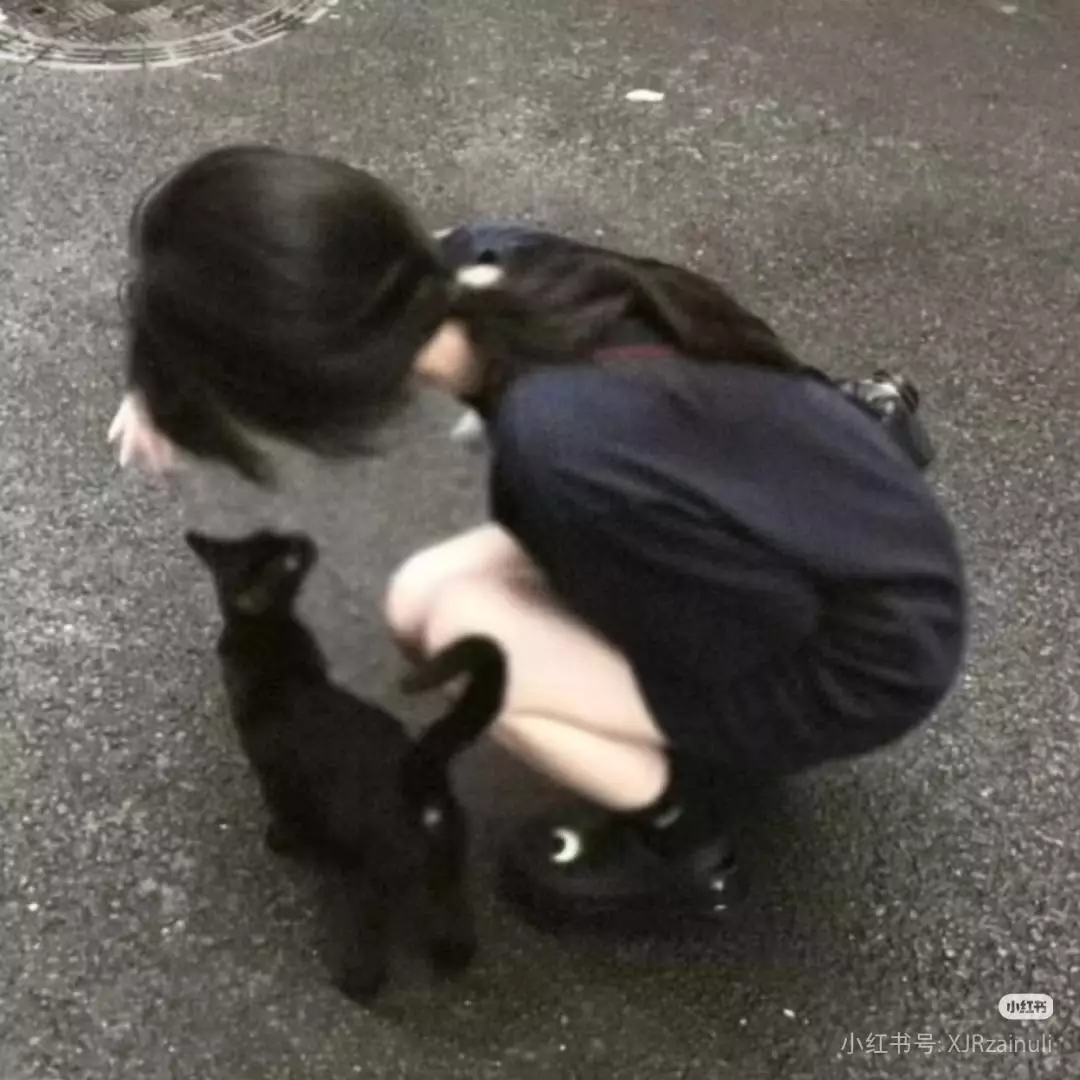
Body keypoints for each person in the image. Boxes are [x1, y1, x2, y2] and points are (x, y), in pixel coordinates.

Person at [109, 145, 967, 931]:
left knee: (460, 639)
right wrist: (169, 393)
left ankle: (682, 844)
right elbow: (304, 286)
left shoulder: (559, 451)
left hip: (865, 658)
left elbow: (725, 626)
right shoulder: (487, 260)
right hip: (847, 495)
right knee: (441, 574)